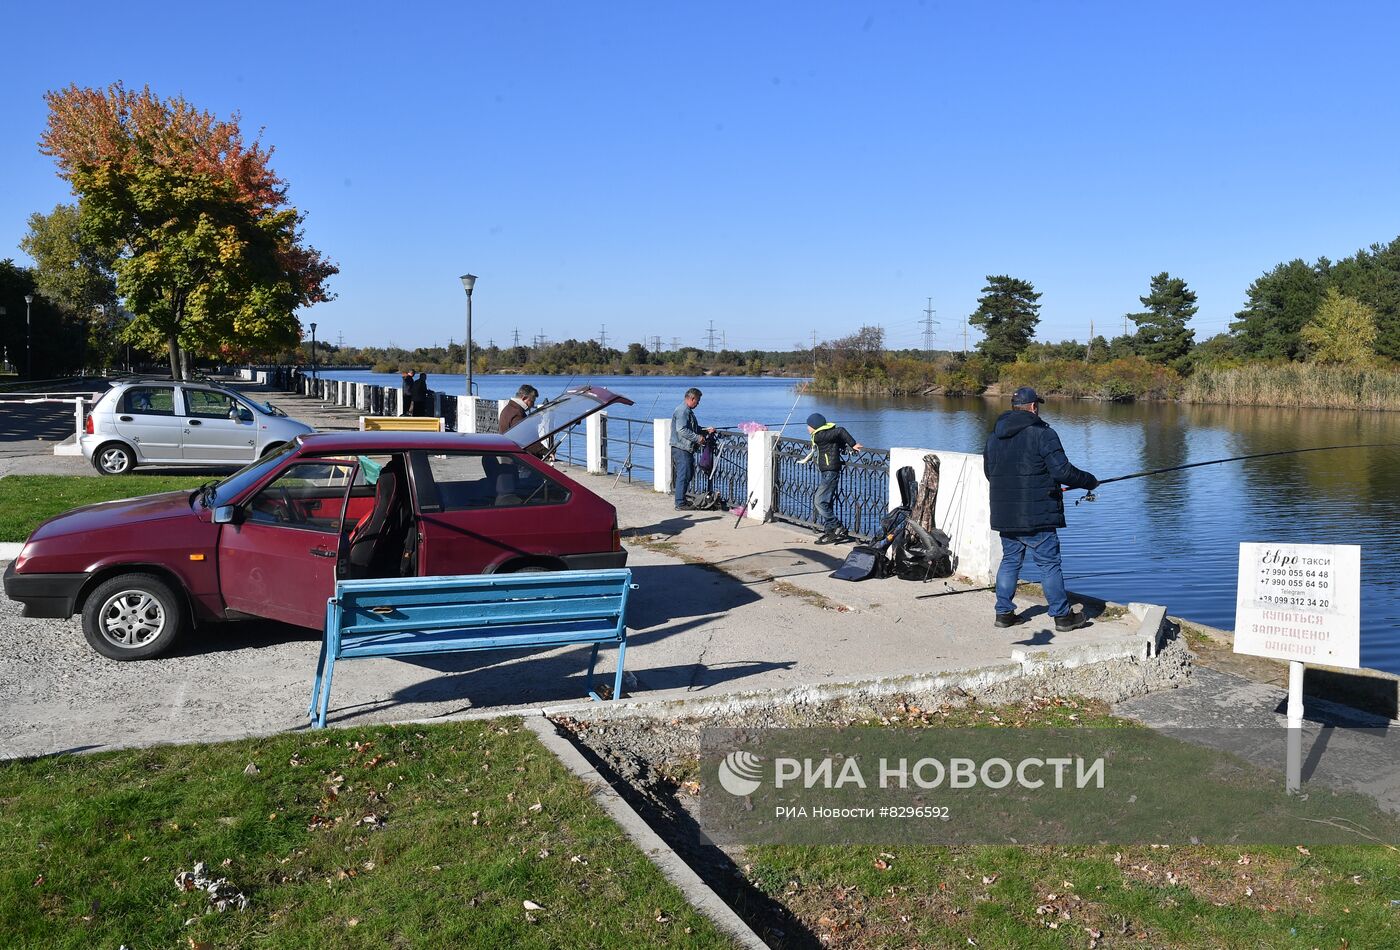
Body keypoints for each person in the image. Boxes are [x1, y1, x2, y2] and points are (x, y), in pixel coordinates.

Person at [983, 386, 1098, 632]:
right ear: (1034, 407)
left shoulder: (994, 436)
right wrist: (1089, 481)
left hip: (1006, 514)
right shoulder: (1043, 433)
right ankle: (1062, 616)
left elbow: (989, 473)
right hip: (1038, 515)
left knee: (1011, 560)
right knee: (1049, 563)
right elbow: (1063, 472)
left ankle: (1003, 613)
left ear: (1015, 407)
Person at [805, 412, 863, 544]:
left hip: (831, 471)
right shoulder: (823, 434)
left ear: (815, 426)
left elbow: (840, 431)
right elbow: (836, 438)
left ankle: (837, 526)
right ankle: (830, 532)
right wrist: (844, 446)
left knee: (819, 501)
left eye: (808, 426)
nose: (807, 428)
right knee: (826, 502)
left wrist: (852, 444)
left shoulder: (821, 435)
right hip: (827, 471)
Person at [670, 387, 714, 510]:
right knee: (684, 475)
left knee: (688, 474)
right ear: (692, 398)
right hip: (681, 448)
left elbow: (692, 427)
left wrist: (705, 430)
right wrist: (697, 438)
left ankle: (682, 499)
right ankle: (679, 503)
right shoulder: (682, 411)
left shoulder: (687, 411)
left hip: (685, 448)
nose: (698, 403)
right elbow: (682, 429)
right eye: (698, 401)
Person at [499, 384, 548, 457]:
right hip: (516, 459)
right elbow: (524, 439)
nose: (532, 405)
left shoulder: (509, 408)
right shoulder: (517, 413)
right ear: (524, 398)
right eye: (532, 401)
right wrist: (545, 451)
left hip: (509, 454)